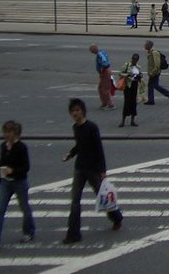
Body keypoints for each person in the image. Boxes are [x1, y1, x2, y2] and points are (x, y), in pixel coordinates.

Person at [62, 98, 123, 243]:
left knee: (102, 196)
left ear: (83, 111)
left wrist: (102, 170)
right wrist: (71, 153)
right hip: (80, 167)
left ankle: (116, 217)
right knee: (75, 201)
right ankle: (73, 234)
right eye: (73, 111)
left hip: (93, 169)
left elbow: (98, 149)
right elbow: (79, 145)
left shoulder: (92, 127)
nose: (75, 113)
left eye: (78, 110)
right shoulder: (75, 127)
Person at [0, 120, 35, 250]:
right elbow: (1, 163)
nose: (6, 135)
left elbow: (26, 167)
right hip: (6, 182)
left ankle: (29, 231)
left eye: (9, 132)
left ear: (15, 133)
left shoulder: (21, 147)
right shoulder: (3, 146)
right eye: (5, 132)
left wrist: (13, 170)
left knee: (25, 209)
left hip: (19, 182)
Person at [144, 40, 169, 104]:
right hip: (153, 72)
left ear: (149, 45)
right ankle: (152, 100)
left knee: (153, 85)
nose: (144, 46)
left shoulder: (154, 52)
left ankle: (168, 94)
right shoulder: (150, 52)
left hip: (155, 72)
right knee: (153, 85)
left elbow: (157, 64)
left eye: (145, 44)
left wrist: (153, 72)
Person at [117, 54, 141, 127]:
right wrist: (127, 75)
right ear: (131, 59)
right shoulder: (127, 65)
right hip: (128, 86)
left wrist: (139, 77)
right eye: (133, 59)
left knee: (134, 102)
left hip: (134, 85)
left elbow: (140, 75)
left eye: (136, 60)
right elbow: (120, 73)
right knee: (127, 102)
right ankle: (123, 120)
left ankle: (132, 120)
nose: (134, 61)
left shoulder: (138, 67)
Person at [89, 45, 114, 110]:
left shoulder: (100, 54)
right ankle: (104, 103)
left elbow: (105, 64)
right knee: (100, 88)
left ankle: (110, 104)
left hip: (105, 72)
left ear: (94, 49)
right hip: (104, 72)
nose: (92, 52)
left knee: (105, 89)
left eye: (92, 51)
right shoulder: (101, 53)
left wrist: (102, 71)